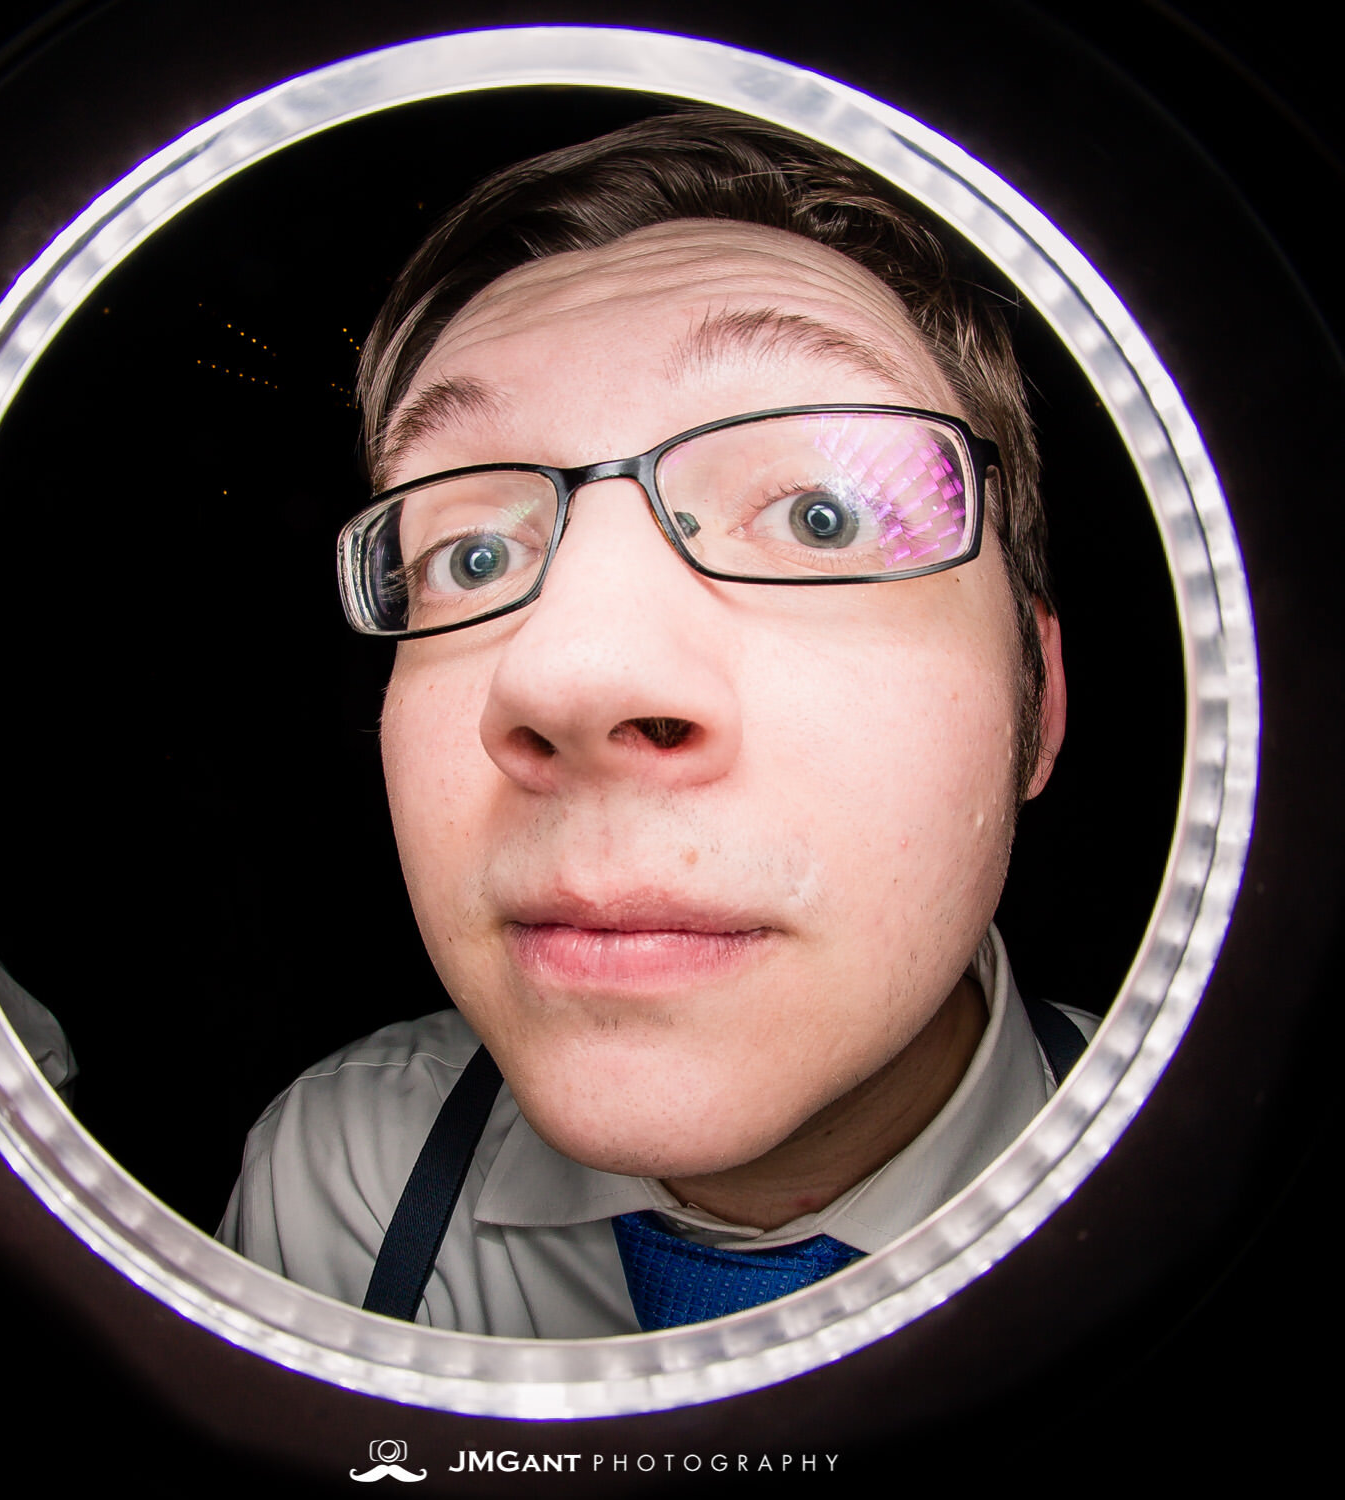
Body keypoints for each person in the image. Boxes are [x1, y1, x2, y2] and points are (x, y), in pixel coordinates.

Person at [218, 109, 1088, 1338]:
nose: (570, 672)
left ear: (1035, 706)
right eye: (471, 552)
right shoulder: (340, 1180)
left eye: (820, 517)